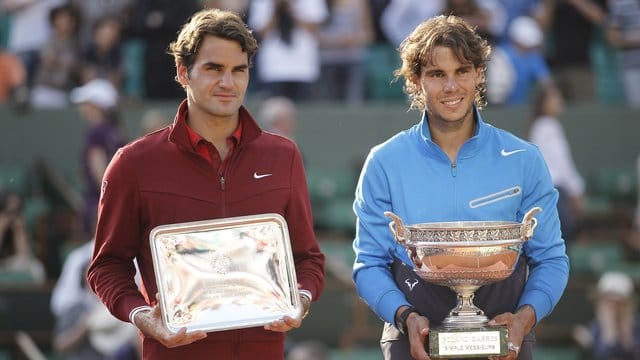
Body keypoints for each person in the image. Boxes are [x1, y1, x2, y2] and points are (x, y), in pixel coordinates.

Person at [86, 8, 325, 360]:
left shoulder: (284, 155)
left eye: (238, 70)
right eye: (213, 68)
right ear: (183, 72)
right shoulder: (132, 163)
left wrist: (300, 299)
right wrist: (142, 316)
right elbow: (106, 267)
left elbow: (307, 259)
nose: (227, 83)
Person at [351, 15, 569, 360]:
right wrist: (405, 317)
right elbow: (369, 264)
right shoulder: (384, 162)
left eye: (462, 71)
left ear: (479, 74)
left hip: (505, 334)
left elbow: (551, 259)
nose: (451, 87)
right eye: (437, 74)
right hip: (413, 336)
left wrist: (524, 318)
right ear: (415, 80)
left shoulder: (525, 159)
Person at [69, 78, 126, 238]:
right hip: (116, 203)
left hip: (100, 205)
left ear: (95, 106)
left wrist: (106, 205)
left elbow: (100, 174)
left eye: (86, 102)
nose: (82, 107)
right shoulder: (116, 131)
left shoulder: (95, 133)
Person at [528, 85, 585, 244]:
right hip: (555, 191)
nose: (558, 101)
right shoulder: (547, 126)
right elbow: (562, 163)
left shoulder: (542, 126)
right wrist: (576, 189)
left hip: (549, 191)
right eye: (554, 98)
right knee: (561, 239)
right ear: (543, 103)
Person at [573, 271, 640, 359]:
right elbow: (604, 353)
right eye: (607, 301)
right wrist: (609, 328)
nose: (612, 307)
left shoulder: (636, 326)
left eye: (618, 303)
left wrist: (625, 332)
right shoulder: (594, 328)